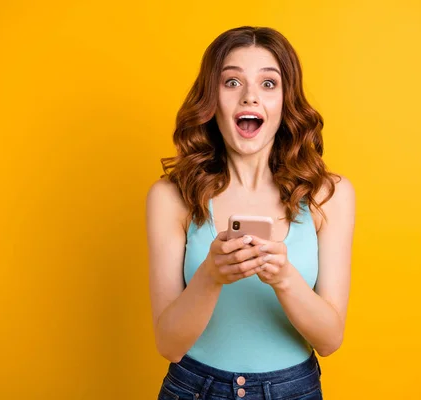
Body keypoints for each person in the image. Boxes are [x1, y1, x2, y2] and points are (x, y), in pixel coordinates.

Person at [146, 26, 355, 400]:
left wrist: (284, 278)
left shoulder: (330, 195)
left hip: (293, 390)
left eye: (269, 84)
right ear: (212, 99)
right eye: (231, 82)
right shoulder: (171, 197)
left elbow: (329, 340)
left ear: (286, 101)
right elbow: (168, 344)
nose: (250, 97)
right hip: (194, 389)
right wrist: (210, 276)